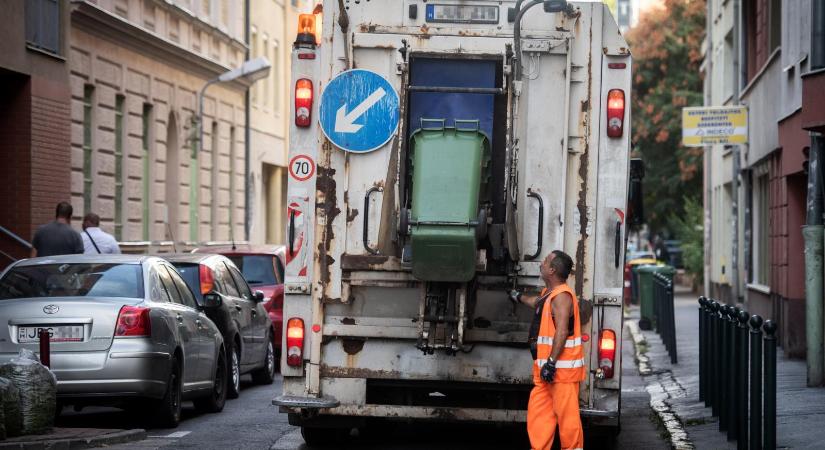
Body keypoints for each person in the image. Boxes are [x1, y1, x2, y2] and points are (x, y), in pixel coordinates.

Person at [509, 250, 584, 450]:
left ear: (551, 270)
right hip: (545, 375)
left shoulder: (562, 297)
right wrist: (517, 297)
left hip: (561, 374)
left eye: (546, 261)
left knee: (568, 424)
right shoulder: (548, 295)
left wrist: (551, 363)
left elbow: (562, 331)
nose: (542, 263)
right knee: (539, 420)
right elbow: (535, 302)